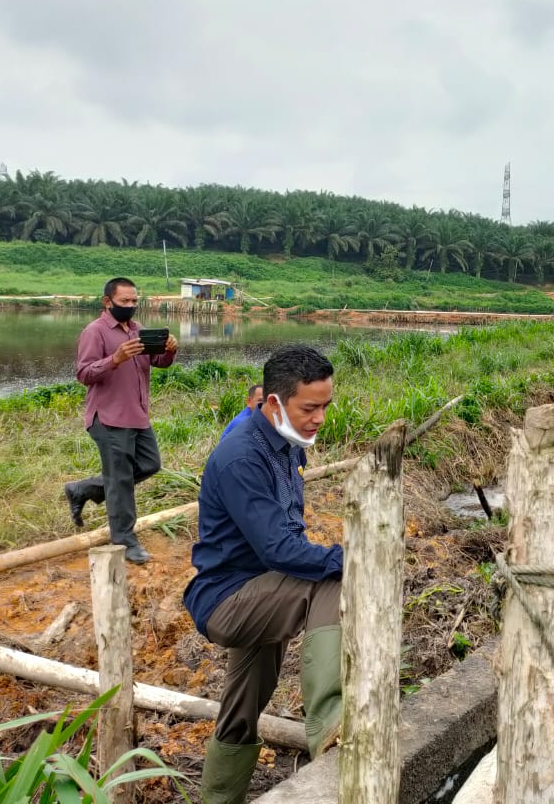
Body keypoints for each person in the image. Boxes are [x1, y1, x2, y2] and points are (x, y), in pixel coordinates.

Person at [184, 344, 343, 804]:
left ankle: (218, 798)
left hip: (261, 588)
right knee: (327, 587)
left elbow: (282, 539)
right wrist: (348, 558)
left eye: (324, 407)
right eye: (308, 407)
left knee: (246, 699)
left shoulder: (285, 446)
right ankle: (333, 727)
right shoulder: (242, 457)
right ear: (273, 403)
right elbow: (278, 548)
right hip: (229, 597)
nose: (318, 418)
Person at [65, 277, 178, 565]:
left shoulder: (138, 330)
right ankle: (125, 541)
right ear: (108, 302)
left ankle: (85, 489)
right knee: (120, 480)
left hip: (137, 414)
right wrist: (114, 359)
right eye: (124, 301)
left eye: (134, 301)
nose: (130, 306)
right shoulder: (95, 332)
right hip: (109, 417)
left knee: (150, 464)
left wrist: (170, 350)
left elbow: (158, 363)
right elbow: (83, 374)